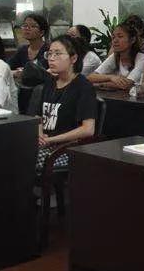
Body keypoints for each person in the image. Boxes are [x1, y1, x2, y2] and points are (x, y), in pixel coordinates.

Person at [29, 35, 97, 173]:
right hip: (45, 144)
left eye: (58, 54)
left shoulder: (83, 87)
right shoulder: (50, 82)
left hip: (67, 149)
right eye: (49, 54)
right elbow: (38, 116)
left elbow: (88, 129)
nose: (51, 58)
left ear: (73, 58)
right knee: (11, 151)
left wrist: (51, 140)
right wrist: (40, 134)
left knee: (23, 159)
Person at [87, 24, 144, 90]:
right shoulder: (115, 56)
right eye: (113, 37)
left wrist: (98, 84)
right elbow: (90, 77)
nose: (115, 41)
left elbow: (126, 84)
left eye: (120, 36)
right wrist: (111, 77)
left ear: (132, 40)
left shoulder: (143, 58)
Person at [7, 13, 50, 78]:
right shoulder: (22, 50)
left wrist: (24, 72)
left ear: (42, 32)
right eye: (25, 25)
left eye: (33, 26)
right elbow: (6, 67)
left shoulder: (49, 50)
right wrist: (15, 72)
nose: (27, 28)